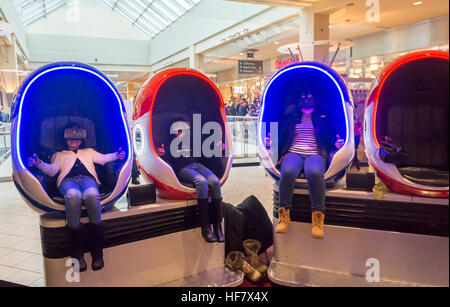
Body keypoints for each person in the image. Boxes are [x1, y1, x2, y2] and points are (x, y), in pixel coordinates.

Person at [28, 124, 125, 271]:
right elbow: (52, 171)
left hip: (88, 180)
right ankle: (77, 255)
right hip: (68, 182)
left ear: (82, 139)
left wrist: (117, 156)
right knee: (74, 196)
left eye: (77, 138)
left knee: (92, 195)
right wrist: (39, 164)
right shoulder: (60, 154)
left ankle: (97, 253)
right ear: (65, 139)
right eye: (71, 138)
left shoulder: (89, 151)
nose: (74, 141)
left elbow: (104, 159)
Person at [268, 92, 344, 239]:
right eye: (303, 98)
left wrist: (336, 144)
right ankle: (284, 216)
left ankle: (317, 218)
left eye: (310, 97)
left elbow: (329, 139)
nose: (306, 100)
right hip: (294, 152)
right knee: (288, 171)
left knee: (314, 173)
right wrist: (271, 144)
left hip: (315, 153)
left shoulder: (322, 119)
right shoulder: (292, 118)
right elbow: (282, 137)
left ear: (315, 100)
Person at [156, 121, 225, 244]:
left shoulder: (192, 140)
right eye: (182, 130)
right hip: (183, 168)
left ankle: (218, 225)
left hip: (197, 165)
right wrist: (161, 154)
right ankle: (205, 227)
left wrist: (218, 147)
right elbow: (166, 159)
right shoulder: (170, 142)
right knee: (201, 182)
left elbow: (205, 151)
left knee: (215, 181)